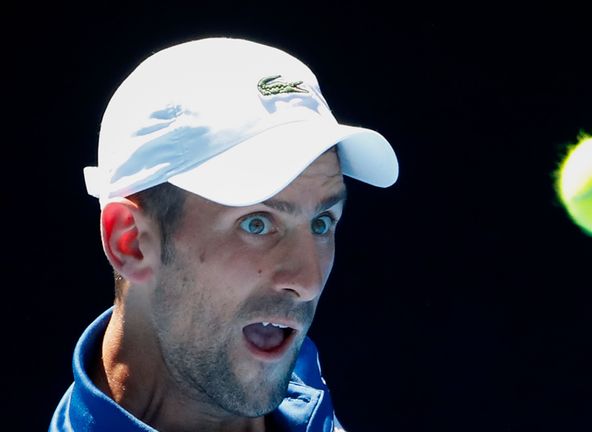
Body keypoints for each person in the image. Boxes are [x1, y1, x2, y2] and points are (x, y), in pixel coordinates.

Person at [49, 37, 399, 432]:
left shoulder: (296, 381)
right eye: (257, 223)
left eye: (321, 222)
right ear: (129, 242)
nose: (308, 281)